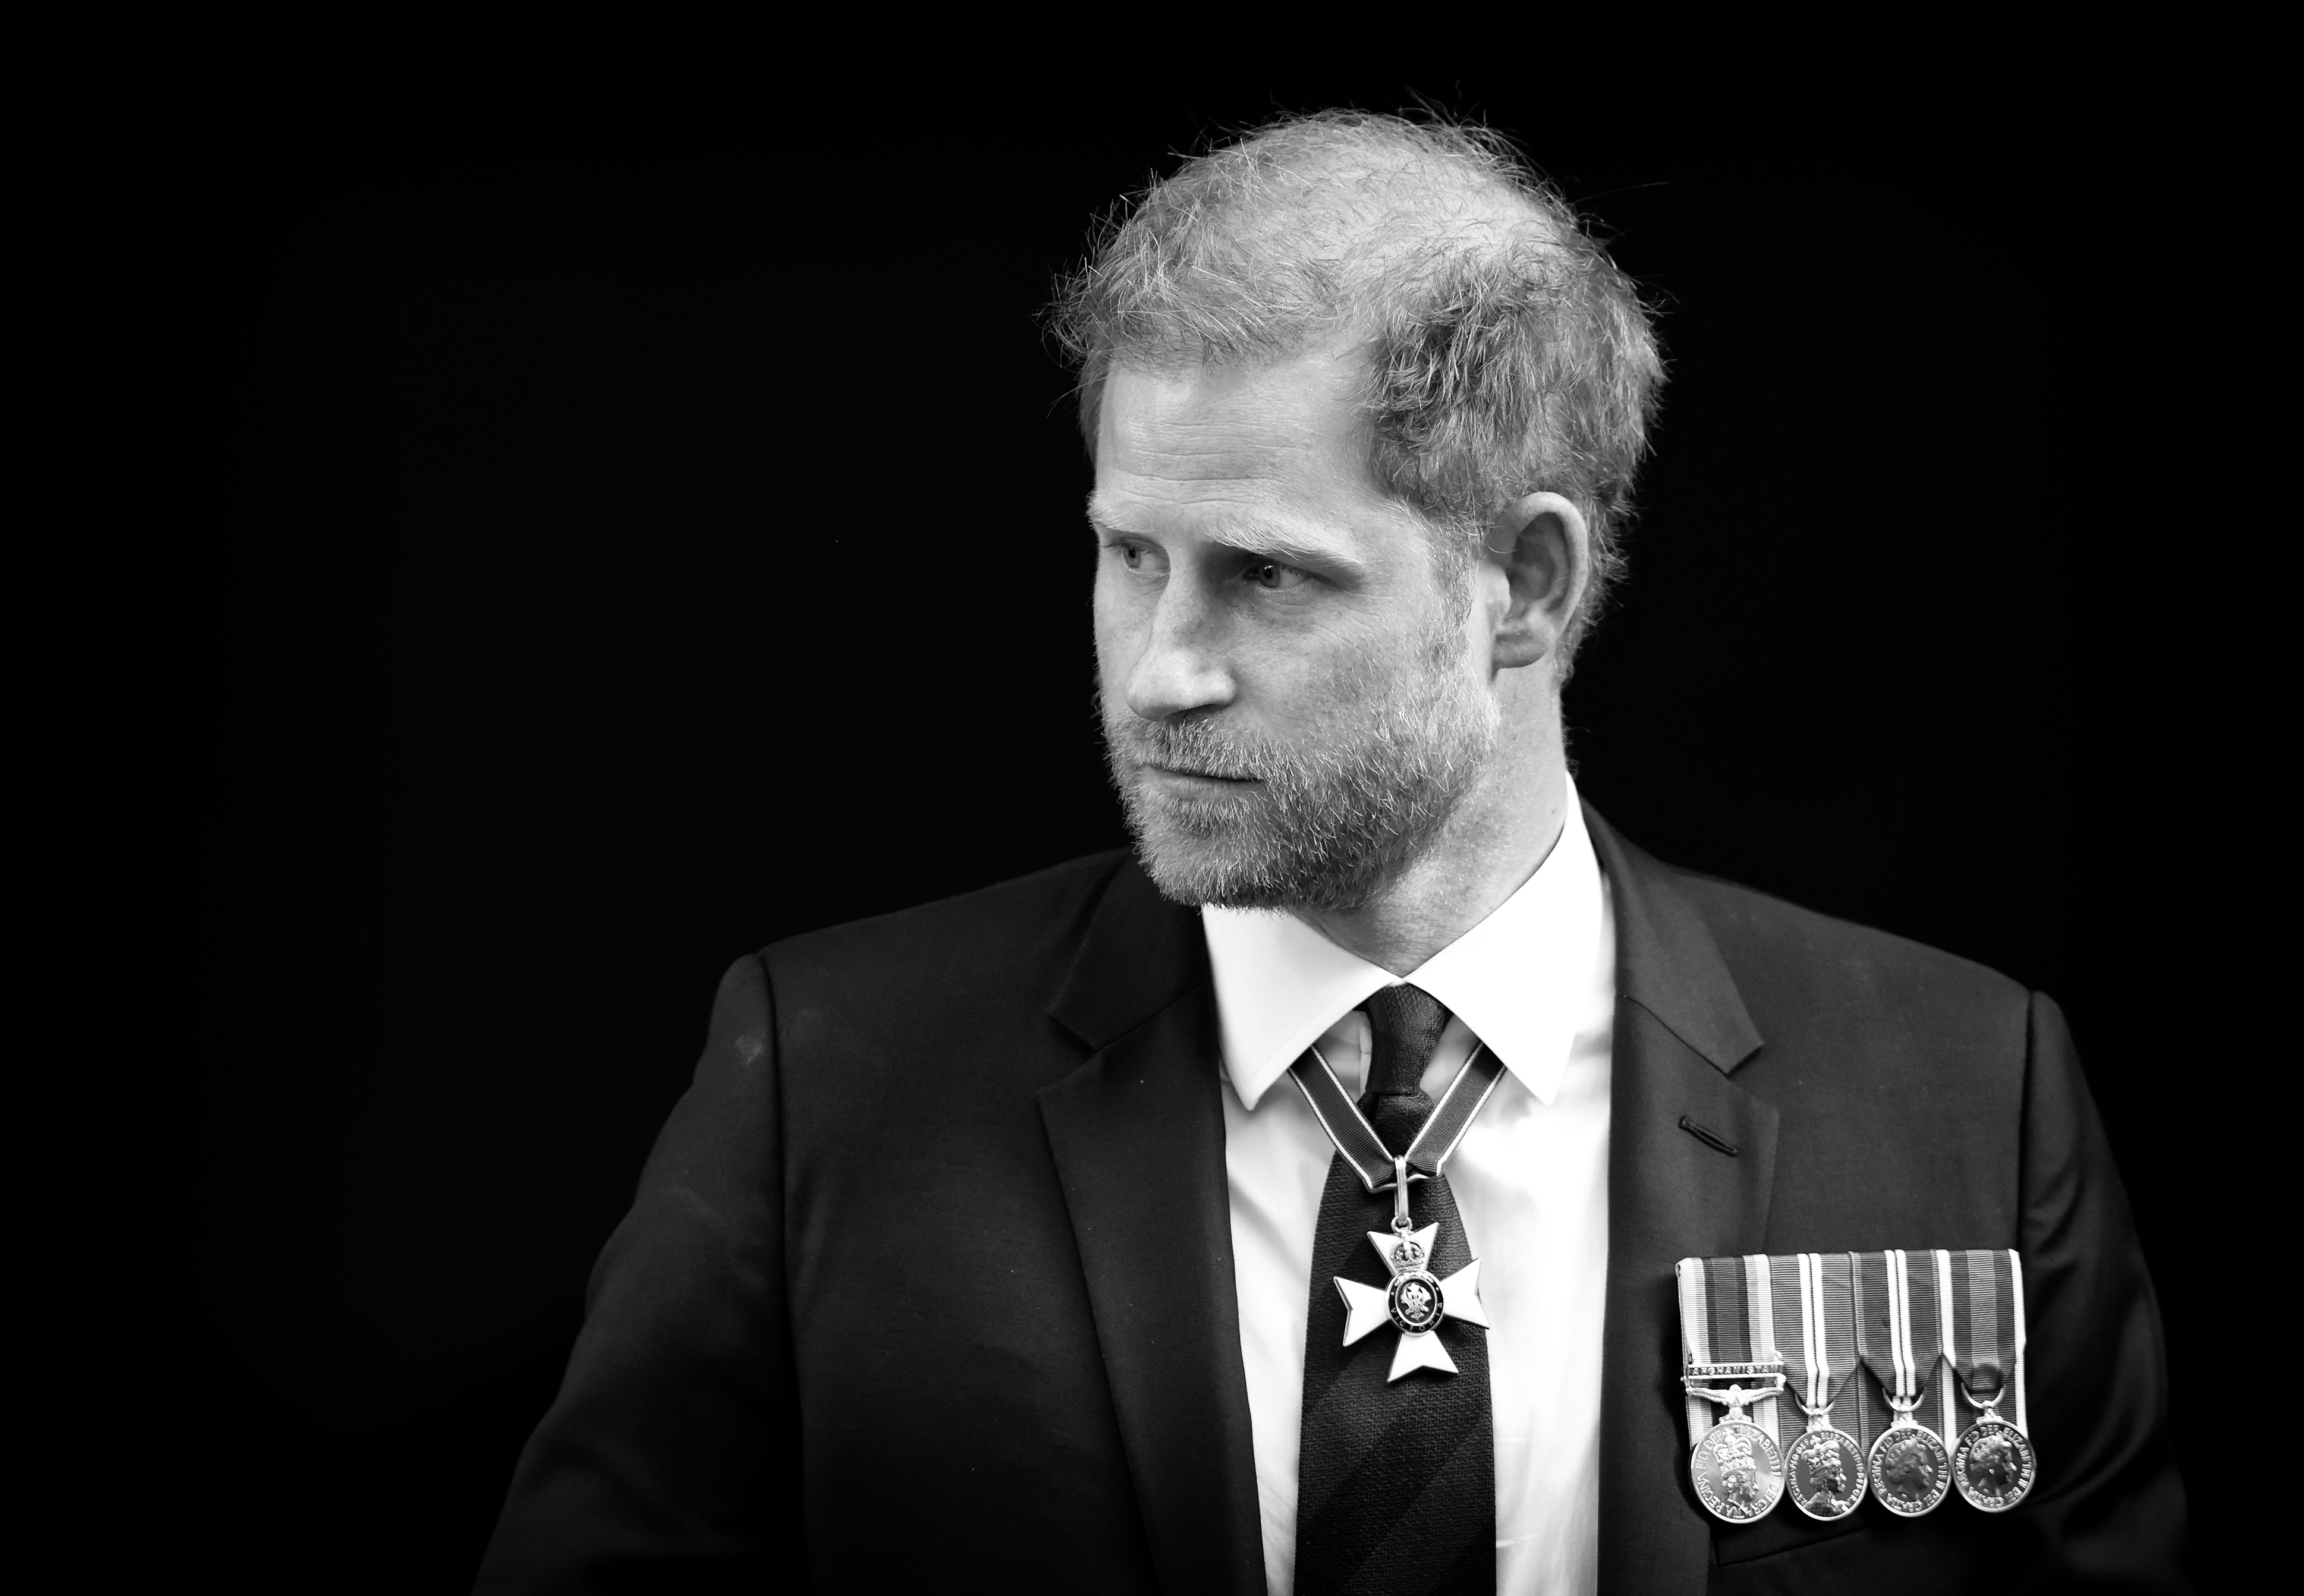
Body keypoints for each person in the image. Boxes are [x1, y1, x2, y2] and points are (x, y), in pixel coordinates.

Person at [476, 112, 2186, 1594]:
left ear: (1522, 586)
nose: (1161, 670)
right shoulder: (829, 1083)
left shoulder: (1964, 1093)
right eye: (1128, 555)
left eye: (1265, 576)